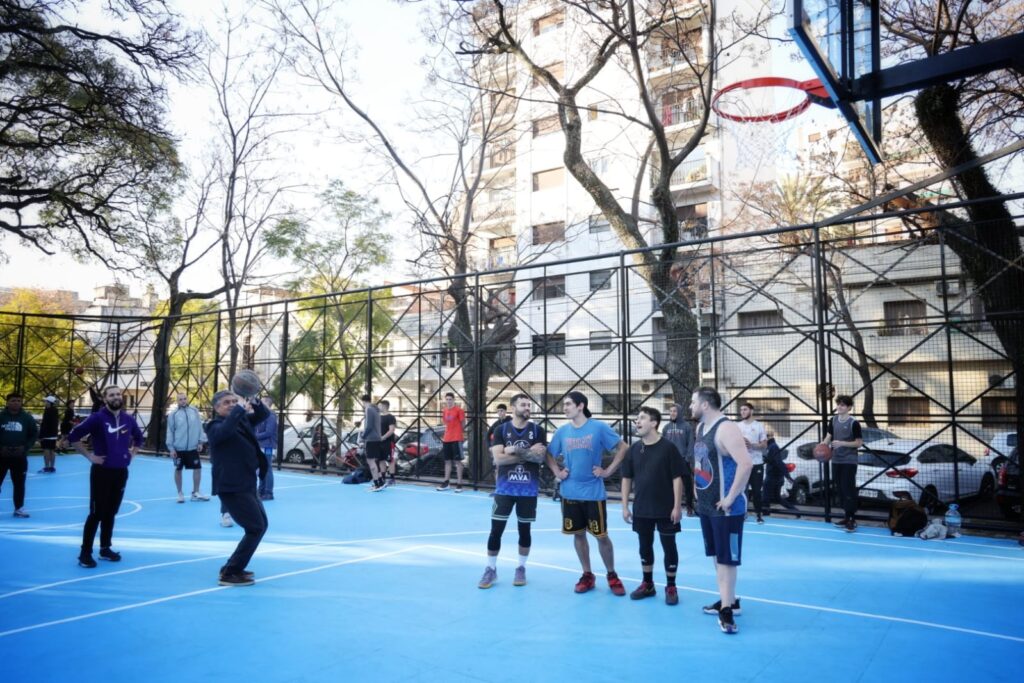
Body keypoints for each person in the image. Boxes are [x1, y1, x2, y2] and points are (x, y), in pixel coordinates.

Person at [546, 391, 628, 596]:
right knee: (578, 534)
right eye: (563, 405)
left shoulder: (598, 427)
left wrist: (608, 471)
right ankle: (587, 574)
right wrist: (557, 471)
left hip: (593, 493)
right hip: (570, 492)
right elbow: (549, 454)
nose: (564, 408)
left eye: (568, 404)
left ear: (580, 405)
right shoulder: (562, 431)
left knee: (601, 536)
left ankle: (612, 574)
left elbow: (623, 447)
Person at [691, 387, 753, 635]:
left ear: (705, 404)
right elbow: (700, 461)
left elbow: (746, 463)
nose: (690, 406)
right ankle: (729, 599)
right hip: (707, 504)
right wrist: (697, 487)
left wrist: (730, 497)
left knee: (727, 558)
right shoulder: (700, 428)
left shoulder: (726, 428)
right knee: (718, 556)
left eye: (693, 402)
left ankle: (727, 610)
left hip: (726, 508)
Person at [68, 385, 143, 567]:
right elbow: (74, 436)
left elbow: (139, 438)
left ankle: (105, 548)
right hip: (101, 472)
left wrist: (131, 454)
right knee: (96, 513)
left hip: (120, 472)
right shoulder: (97, 418)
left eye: (118, 394)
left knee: (111, 512)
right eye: (112, 395)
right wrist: (90, 456)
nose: (116, 397)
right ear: (104, 398)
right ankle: (85, 553)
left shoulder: (128, 419)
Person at [478, 394, 548, 589]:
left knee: (524, 531)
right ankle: (491, 569)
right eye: (523, 404)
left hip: (528, 490)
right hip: (505, 489)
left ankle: (521, 567)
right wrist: (526, 452)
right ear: (513, 407)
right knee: (496, 531)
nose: (527, 407)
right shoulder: (501, 430)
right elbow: (498, 460)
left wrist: (513, 450)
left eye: (529, 404)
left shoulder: (538, 430)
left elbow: (539, 458)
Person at [206, 389, 271, 586]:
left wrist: (252, 397)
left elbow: (263, 414)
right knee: (255, 528)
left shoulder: (242, 421)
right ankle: (230, 572)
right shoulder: (213, 426)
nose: (233, 404)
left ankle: (232, 567)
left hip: (247, 483)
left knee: (261, 525)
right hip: (232, 486)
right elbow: (225, 431)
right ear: (217, 408)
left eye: (235, 401)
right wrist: (239, 410)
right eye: (227, 402)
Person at [621, 406, 684, 605]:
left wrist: (677, 506)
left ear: (654, 423)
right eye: (637, 419)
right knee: (644, 546)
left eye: (642, 418)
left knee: (669, 546)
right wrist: (624, 505)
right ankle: (647, 584)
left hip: (665, 508)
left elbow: (677, 478)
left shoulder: (668, 448)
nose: (637, 422)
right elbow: (626, 478)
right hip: (642, 508)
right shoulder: (634, 449)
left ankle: (671, 585)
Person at [823, 395, 863, 533]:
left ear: (849, 408)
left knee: (848, 489)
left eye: (842, 405)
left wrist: (842, 443)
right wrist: (822, 447)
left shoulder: (854, 423)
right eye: (838, 404)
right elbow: (829, 436)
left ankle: (852, 519)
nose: (839, 407)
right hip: (836, 460)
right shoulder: (833, 420)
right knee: (839, 489)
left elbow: (859, 443)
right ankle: (846, 517)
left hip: (849, 461)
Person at [166, 392, 210, 503]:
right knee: (178, 469)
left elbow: (199, 427)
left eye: (185, 399)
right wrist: (171, 448)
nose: (183, 401)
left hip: (192, 448)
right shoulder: (173, 415)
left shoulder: (194, 411)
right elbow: (170, 431)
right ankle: (180, 494)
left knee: (198, 468)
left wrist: (200, 442)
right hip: (178, 449)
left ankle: (195, 493)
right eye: (180, 399)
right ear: (177, 401)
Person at [0, 392, 38, 518]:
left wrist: (25, 448)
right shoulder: (1, 417)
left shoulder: (27, 418)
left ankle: (19, 508)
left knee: (19, 484)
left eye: (18, 400)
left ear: (21, 402)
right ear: (7, 402)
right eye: (13, 400)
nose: (16, 403)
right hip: (1, 456)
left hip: (19, 457)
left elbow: (34, 434)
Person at [663, 403, 696, 516]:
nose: (672, 413)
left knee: (687, 485)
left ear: (680, 413)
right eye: (671, 411)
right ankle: (671, 505)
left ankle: (689, 506)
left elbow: (691, 444)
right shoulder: (666, 428)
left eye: (675, 411)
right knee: (668, 484)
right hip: (669, 461)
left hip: (682, 460)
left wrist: (687, 458)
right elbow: (663, 444)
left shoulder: (687, 427)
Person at [737, 402, 768, 524]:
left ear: (751, 411)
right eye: (741, 410)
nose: (742, 412)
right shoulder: (738, 426)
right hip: (742, 464)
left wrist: (752, 445)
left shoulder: (759, 426)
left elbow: (764, 445)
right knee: (741, 490)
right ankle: (742, 513)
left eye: (745, 409)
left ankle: (759, 515)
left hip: (756, 463)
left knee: (756, 491)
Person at [762, 430, 799, 515]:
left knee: (765, 498)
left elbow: (779, 462)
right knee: (777, 498)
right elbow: (775, 461)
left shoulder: (773, 447)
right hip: (776, 476)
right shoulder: (770, 446)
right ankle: (796, 511)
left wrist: (788, 476)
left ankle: (766, 515)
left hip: (773, 477)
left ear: (768, 437)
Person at [436, 392, 465, 492]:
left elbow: (463, 423)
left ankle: (459, 484)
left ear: (453, 400)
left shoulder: (459, 410)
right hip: (447, 439)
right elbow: (446, 423)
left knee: (458, 461)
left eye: (450, 399)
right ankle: (446, 482)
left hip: (456, 438)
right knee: (447, 461)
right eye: (447, 399)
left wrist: (460, 434)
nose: (448, 401)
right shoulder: (444, 410)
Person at [360, 394, 387, 492]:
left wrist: (363, 436)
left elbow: (369, 426)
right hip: (377, 438)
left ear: (363, 401)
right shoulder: (375, 410)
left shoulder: (369, 409)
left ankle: (376, 484)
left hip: (371, 439)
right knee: (375, 462)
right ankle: (380, 482)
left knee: (371, 462)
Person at [253, 396, 277, 500]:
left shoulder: (271, 415)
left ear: (266, 403)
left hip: (268, 445)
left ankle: (268, 492)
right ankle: (261, 490)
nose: (259, 404)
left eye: (261, 402)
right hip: (261, 445)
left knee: (267, 468)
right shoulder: (263, 415)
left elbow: (269, 432)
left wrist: (254, 436)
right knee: (262, 468)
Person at [38, 395, 60, 473]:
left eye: (46, 401)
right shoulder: (55, 410)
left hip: (47, 434)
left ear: (49, 402)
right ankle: (52, 467)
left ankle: (47, 467)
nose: (45, 402)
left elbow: (45, 424)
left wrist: (41, 435)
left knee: (46, 450)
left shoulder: (47, 410)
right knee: (52, 451)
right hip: (53, 434)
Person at [378, 399, 397, 487]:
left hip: (389, 443)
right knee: (381, 460)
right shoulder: (379, 417)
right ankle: (382, 477)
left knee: (390, 460)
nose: (378, 407)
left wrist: (383, 437)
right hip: (379, 443)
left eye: (380, 405)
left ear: (384, 406)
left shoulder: (391, 417)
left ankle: (392, 479)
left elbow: (391, 430)